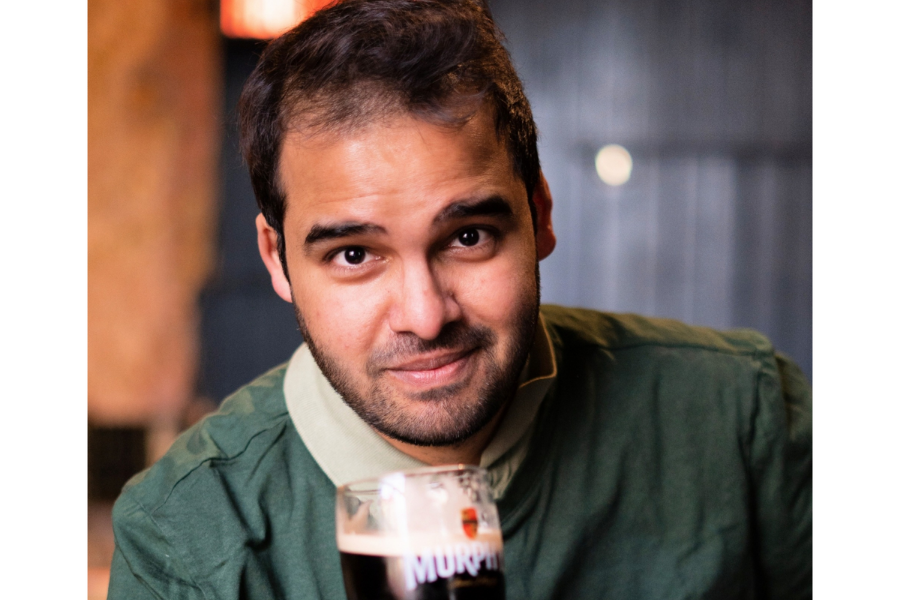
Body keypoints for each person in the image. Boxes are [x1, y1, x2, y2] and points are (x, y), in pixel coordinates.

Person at [107, 1, 812, 598]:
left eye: (468, 236)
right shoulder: (184, 533)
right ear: (277, 259)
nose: (425, 314)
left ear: (539, 213)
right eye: (354, 255)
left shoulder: (745, 421)